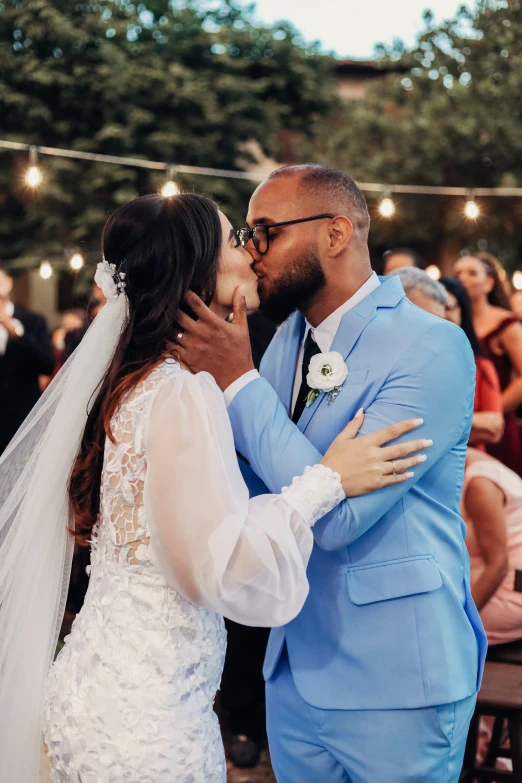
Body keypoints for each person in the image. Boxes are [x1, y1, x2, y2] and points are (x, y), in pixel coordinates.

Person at [0, 193, 428, 783]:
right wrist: (328, 481)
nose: (251, 252)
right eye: (234, 239)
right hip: (148, 718)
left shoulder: (131, 382)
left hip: (96, 686)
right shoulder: (179, 392)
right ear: (195, 267)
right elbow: (211, 566)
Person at [175, 164, 487, 783]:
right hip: (293, 664)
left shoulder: (431, 346)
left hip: (397, 674)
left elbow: (340, 515)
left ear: (336, 232)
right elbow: (261, 485)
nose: (250, 251)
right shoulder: (287, 338)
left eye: (265, 232)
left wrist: (238, 379)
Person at [455, 252, 522, 475]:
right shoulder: (452, 323)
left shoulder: (506, 324)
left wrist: (493, 410)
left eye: (472, 273)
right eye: (458, 273)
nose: (463, 278)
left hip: (497, 429)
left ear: (489, 283)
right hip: (461, 427)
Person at [462, 448, 522, 645]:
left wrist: (459, 621)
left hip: (508, 591)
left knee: (428, 628)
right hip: (511, 582)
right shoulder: (480, 463)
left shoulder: (480, 483)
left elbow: (498, 565)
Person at [440, 277, 504, 449]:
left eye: (449, 307)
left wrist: (439, 421)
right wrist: (474, 422)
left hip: (469, 464)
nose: (441, 314)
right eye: (436, 306)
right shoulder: (412, 364)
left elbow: (493, 428)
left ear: (462, 312)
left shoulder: (481, 367)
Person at [0, 263, 55, 454]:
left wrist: (15, 332)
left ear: (8, 283)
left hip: (23, 418)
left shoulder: (33, 321)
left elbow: (46, 364)